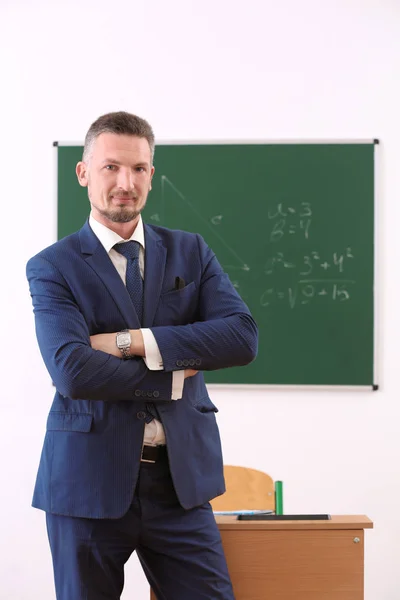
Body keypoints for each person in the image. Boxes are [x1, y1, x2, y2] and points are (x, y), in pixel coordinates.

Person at [26, 111, 258, 600]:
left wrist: (134, 341)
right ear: (84, 172)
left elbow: (240, 338)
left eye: (138, 169)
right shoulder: (53, 267)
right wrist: (172, 374)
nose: (125, 183)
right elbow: (72, 370)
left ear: (152, 174)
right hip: (86, 482)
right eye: (111, 167)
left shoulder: (190, 252)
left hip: (179, 485)